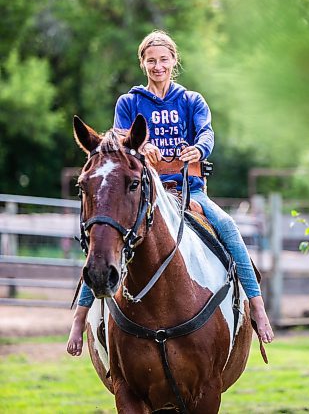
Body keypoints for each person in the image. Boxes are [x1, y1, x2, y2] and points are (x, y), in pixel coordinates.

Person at [67, 30, 274, 356]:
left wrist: (198, 149)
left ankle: (257, 307)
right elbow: (121, 137)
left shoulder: (191, 101)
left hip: (189, 190)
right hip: (143, 194)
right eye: (151, 60)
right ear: (143, 63)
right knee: (105, 237)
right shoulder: (130, 101)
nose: (158, 65)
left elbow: (206, 131)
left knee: (229, 229)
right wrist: (140, 146)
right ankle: (80, 318)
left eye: (164, 59)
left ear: (174, 61)